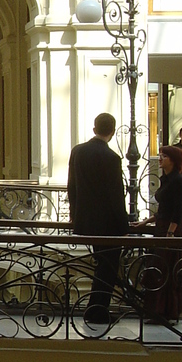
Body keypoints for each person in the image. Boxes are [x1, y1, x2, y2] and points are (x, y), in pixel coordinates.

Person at [67, 112, 130, 325]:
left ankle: (94, 309)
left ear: (94, 129)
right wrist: (124, 225)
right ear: (112, 132)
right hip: (108, 225)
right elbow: (115, 195)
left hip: (86, 221)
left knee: (101, 264)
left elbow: (72, 187)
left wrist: (75, 216)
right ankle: (98, 310)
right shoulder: (112, 158)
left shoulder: (78, 152)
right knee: (108, 268)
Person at [140, 145, 182, 320]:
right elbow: (163, 209)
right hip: (162, 228)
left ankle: (167, 311)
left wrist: (170, 233)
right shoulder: (166, 179)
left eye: (164, 156)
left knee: (165, 268)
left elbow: (177, 210)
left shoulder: (178, 181)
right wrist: (146, 221)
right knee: (157, 267)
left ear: (173, 160)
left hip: (170, 231)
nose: (160, 158)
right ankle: (157, 310)